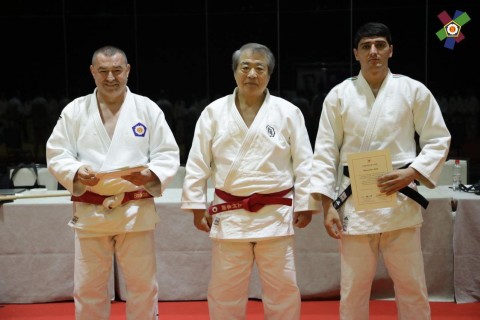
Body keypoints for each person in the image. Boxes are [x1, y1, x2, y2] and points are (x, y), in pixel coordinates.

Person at [311, 22, 451, 320]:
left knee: (411, 283)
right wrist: (327, 206)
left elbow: (438, 139)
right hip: (355, 202)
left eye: (379, 45)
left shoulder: (413, 90)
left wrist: (412, 173)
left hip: (399, 199)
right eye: (366, 46)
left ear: (390, 50)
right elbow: (324, 152)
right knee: (353, 286)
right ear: (356, 54)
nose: (373, 52)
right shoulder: (339, 95)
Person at [181, 42, 316, 319]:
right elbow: (197, 163)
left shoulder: (288, 112)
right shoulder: (214, 112)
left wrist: (305, 203)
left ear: (269, 74)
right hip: (230, 216)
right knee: (225, 291)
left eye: (259, 68)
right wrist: (196, 206)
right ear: (234, 72)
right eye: (245, 67)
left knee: (282, 290)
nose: (252, 74)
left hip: (275, 215)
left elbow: (305, 162)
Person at [46, 45, 180, 320]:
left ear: (128, 71)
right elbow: (57, 152)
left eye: (117, 71)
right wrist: (76, 171)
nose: (110, 78)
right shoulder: (75, 111)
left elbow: (167, 154)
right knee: (88, 287)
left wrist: (150, 174)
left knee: (142, 286)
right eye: (103, 71)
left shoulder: (147, 109)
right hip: (91, 211)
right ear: (93, 72)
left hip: (135, 209)